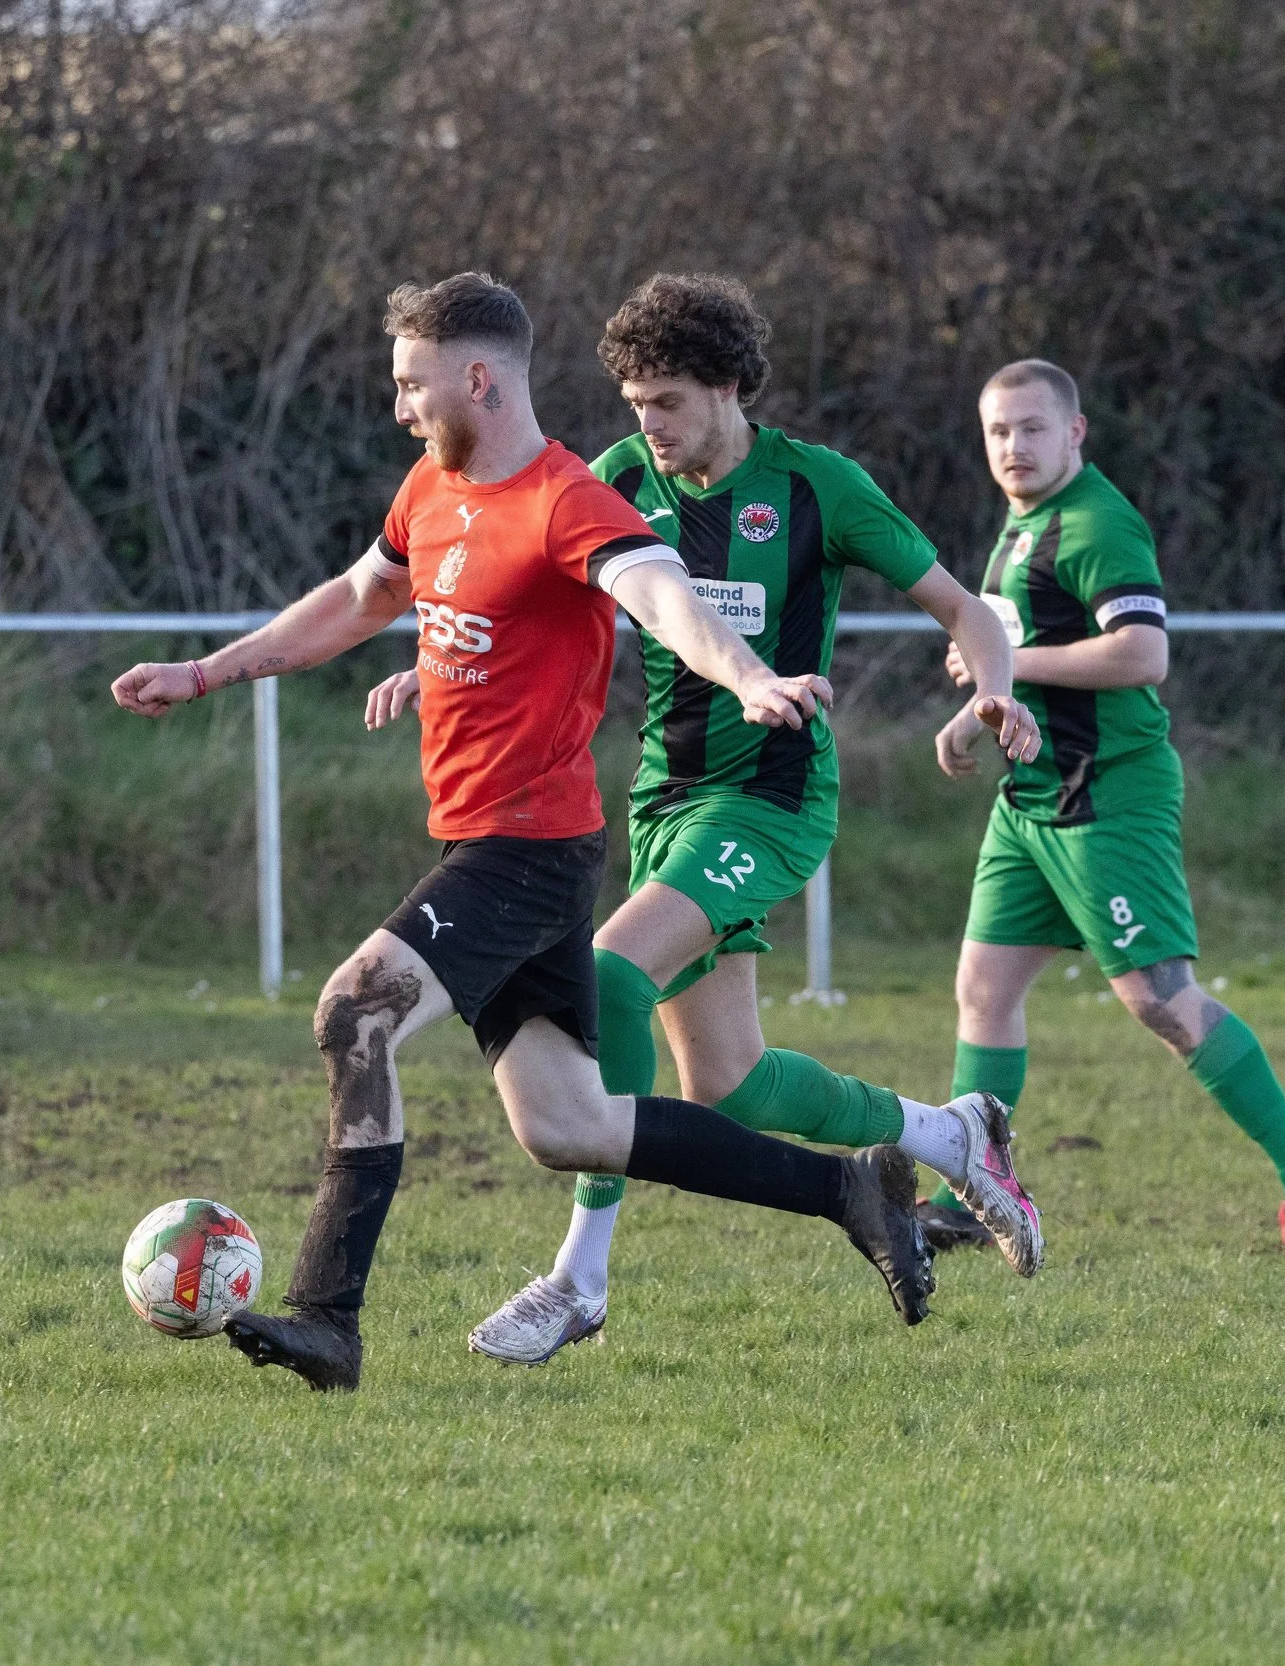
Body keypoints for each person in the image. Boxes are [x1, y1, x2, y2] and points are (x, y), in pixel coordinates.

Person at [111, 273, 932, 1392]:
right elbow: (357, 599)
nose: (400, 406)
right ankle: (849, 1193)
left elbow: (662, 594)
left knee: (356, 1009)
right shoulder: (433, 490)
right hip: (480, 845)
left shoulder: (567, 501)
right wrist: (207, 670)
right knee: (570, 1126)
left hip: (528, 852)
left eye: (412, 383)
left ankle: (326, 1315)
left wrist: (743, 674)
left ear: (478, 378)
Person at [370, 274, 1046, 1367]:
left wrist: (993, 687)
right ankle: (950, 1134)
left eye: (668, 402)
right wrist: (429, 659)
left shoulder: (819, 488)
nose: (647, 428)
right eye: (634, 404)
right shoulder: (622, 477)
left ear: (730, 388)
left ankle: (578, 1281)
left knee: (612, 975)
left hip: (770, 799)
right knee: (728, 1081)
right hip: (664, 798)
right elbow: (509, 572)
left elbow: (965, 608)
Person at [925, 358, 1285, 1253]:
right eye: (999, 431)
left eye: (1033, 428)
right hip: (1031, 799)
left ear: (1076, 431)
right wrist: (978, 712)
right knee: (984, 990)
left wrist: (1006, 671)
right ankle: (971, 1193)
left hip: (1107, 795)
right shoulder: (1020, 527)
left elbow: (1141, 654)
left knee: (1162, 1000)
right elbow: (1017, 649)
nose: (1015, 446)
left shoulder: (1096, 524)